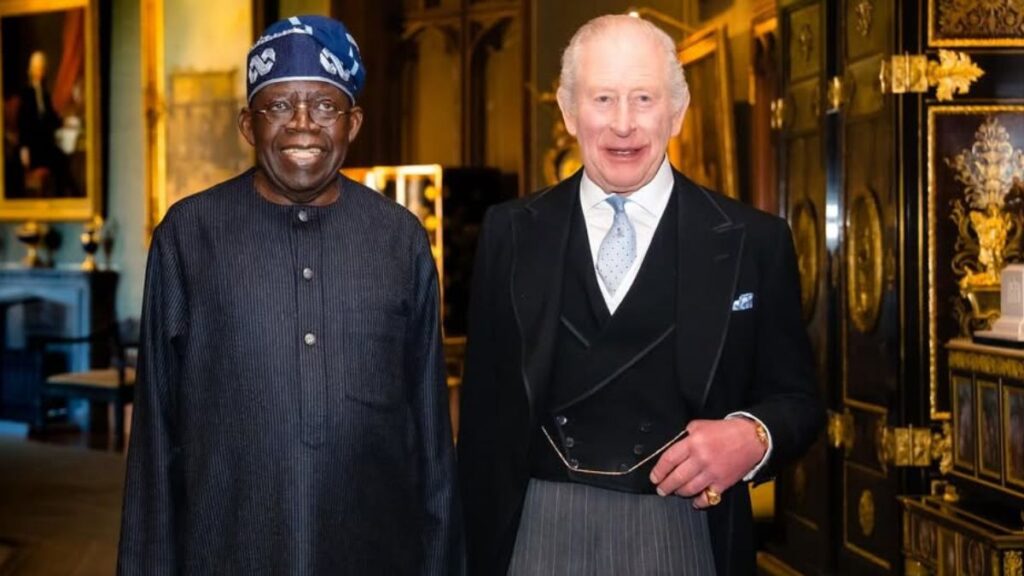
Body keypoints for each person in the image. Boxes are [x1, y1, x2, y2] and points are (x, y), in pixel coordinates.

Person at [457, 14, 824, 576]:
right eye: (603, 98)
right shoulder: (509, 233)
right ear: (567, 109)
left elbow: (798, 400)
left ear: (677, 110)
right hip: (536, 530)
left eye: (644, 99)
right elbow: (481, 423)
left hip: (682, 529)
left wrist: (753, 436)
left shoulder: (755, 241)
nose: (623, 125)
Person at [118, 16, 462, 575]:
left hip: (375, 553)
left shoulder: (399, 238)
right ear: (248, 125)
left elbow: (431, 440)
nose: (303, 126)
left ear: (353, 123)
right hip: (226, 551)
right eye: (279, 106)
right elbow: (155, 445)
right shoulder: (189, 234)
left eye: (325, 107)